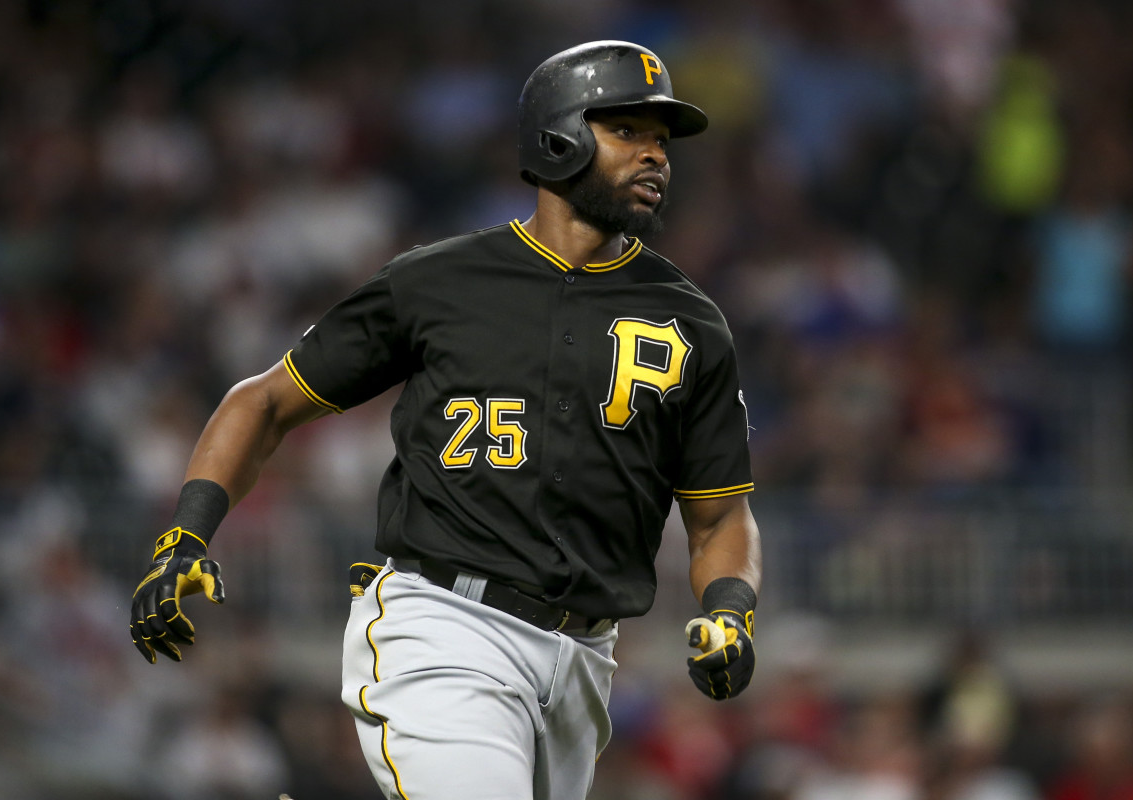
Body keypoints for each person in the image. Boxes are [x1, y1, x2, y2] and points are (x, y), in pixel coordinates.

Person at [129, 40, 762, 800]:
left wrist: (731, 610)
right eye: (627, 130)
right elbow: (262, 402)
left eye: (662, 139)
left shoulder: (694, 322)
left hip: (585, 661)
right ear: (558, 137)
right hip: (444, 622)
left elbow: (720, 516)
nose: (656, 154)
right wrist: (185, 535)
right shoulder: (438, 282)